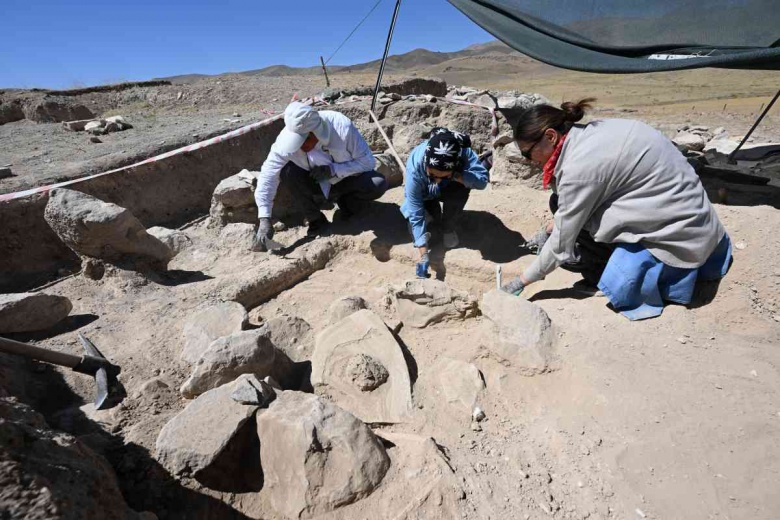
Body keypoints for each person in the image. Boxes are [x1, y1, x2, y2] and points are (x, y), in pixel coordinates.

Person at [500, 98, 732, 320]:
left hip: (678, 237)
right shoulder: (592, 132)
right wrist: (550, 227)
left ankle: (601, 275)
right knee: (558, 204)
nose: (528, 160)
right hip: (697, 219)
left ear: (550, 136)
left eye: (526, 153)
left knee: (571, 255)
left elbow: (561, 246)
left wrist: (521, 281)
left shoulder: (579, 169)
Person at [252, 101, 388, 251]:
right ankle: (316, 221)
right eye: (297, 142)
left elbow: (368, 162)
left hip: (346, 180)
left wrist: (334, 170)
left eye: (305, 141)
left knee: (377, 183)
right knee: (287, 172)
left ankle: (347, 202)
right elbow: (268, 175)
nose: (301, 146)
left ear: (316, 131)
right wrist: (264, 218)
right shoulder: (284, 141)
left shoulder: (341, 127)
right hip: (314, 183)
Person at [400, 128, 489, 278]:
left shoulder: (463, 153)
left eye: (443, 175)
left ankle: (448, 226)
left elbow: (482, 182)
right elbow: (416, 213)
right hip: (425, 194)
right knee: (432, 235)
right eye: (433, 174)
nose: (438, 179)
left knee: (459, 189)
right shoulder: (415, 168)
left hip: (450, 187)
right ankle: (434, 214)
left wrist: (456, 176)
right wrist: (423, 256)